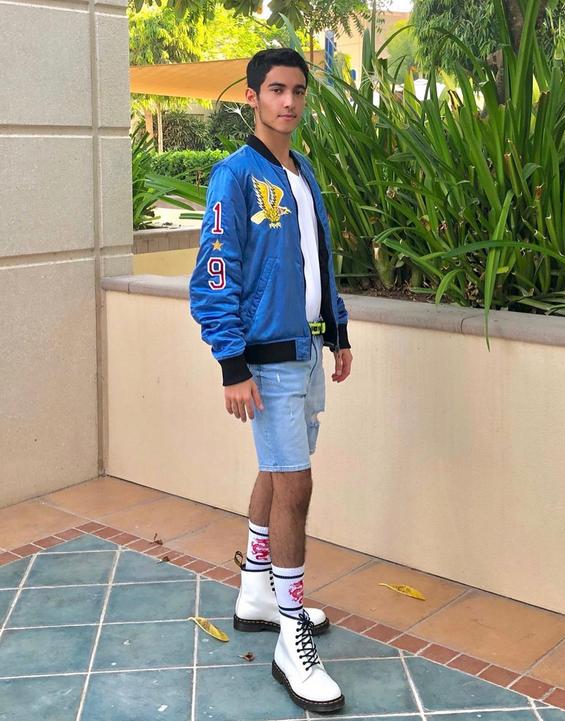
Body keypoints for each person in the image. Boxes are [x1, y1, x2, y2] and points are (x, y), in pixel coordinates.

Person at [189, 47, 353, 714]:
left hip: (306, 350)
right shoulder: (234, 175)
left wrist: (337, 330)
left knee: (278, 470)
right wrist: (232, 363)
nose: (289, 101)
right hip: (266, 358)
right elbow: (215, 269)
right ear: (252, 97)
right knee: (296, 487)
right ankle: (291, 638)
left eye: (298, 91)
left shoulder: (302, 172)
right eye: (276, 89)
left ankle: (258, 593)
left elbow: (318, 260)